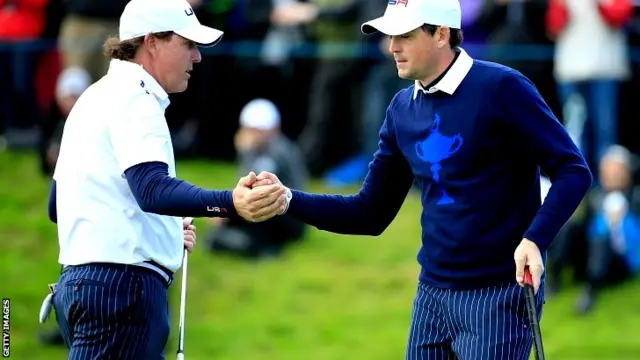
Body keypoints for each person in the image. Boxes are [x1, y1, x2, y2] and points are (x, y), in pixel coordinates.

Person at [255, 0, 593, 358]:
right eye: (390, 36)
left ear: (441, 34)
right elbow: (369, 212)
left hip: (498, 295)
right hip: (431, 295)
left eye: (404, 35)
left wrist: (535, 239)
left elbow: (573, 171)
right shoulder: (402, 108)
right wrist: (287, 199)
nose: (392, 47)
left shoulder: (503, 88)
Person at [47, 0, 288, 358]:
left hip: (83, 288)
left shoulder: (93, 97)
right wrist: (229, 201)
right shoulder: (136, 100)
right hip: (121, 292)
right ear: (152, 42)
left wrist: (165, 227)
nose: (197, 58)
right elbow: (152, 189)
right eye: (188, 44)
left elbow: (57, 205)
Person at [207, 98, 308, 259]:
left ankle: (263, 248)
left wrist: (227, 212)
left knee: (216, 238)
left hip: (286, 220)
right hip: (285, 213)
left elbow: (257, 190)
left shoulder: (274, 151)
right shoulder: (264, 148)